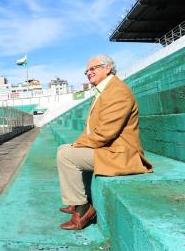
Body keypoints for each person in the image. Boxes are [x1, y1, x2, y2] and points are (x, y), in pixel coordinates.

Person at [56, 54, 153, 230]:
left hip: (122, 154)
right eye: (86, 71)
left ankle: (83, 209)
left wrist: (77, 145)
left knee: (67, 154)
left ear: (107, 68)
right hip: (109, 149)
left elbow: (106, 133)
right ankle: (75, 201)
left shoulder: (117, 91)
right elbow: (93, 131)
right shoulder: (104, 90)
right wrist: (76, 144)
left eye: (93, 69)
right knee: (64, 148)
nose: (88, 73)